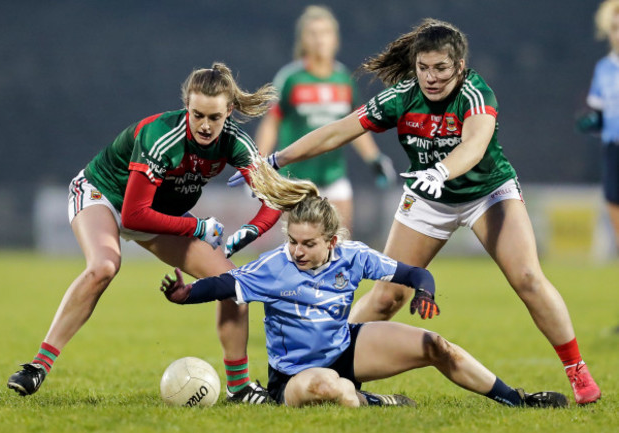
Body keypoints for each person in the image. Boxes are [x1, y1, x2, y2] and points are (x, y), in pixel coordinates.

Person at [235, 19, 602, 405]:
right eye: (423, 68)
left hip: (486, 194)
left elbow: (475, 145)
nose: (431, 77)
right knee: (385, 298)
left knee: (527, 277)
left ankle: (577, 370)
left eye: (441, 68)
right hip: (428, 199)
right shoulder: (402, 96)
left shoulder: (476, 93)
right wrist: (276, 158)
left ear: (460, 66)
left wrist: (441, 170)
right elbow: (339, 130)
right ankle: (336, 369)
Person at [160, 163, 568, 408]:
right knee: (331, 388)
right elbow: (224, 285)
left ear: (331, 242)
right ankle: (373, 401)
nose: (297, 251)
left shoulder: (352, 256)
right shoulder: (274, 266)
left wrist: (424, 291)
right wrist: (185, 295)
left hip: (346, 347)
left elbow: (413, 274)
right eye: (292, 241)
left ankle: (518, 400)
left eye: (308, 244)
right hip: (294, 374)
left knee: (436, 346)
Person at [7, 63, 281, 404]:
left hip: (156, 213)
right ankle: (38, 366)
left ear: (229, 112)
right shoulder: (161, 136)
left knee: (232, 284)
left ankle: (239, 388)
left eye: (215, 118)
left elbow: (275, 198)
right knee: (104, 266)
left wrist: (251, 231)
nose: (205, 126)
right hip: (104, 196)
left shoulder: (237, 144)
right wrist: (197, 226)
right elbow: (134, 215)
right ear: (186, 108)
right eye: (197, 115)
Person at [234, 5, 396, 233]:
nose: (320, 39)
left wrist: (375, 159)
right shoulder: (291, 78)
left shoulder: (343, 79)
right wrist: (257, 166)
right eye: (313, 33)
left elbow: (355, 126)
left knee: (340, 245)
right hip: (295, 179)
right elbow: (271, 123)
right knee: (301, 248)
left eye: (325, 33)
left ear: (335, 39)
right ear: (303, 40)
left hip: (334, 177)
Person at [577, 0, 619, 254]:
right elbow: (598, 111)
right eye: (615, 27)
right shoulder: (604, 69)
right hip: (613, 147)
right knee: (613, 202)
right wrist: (591, 121)